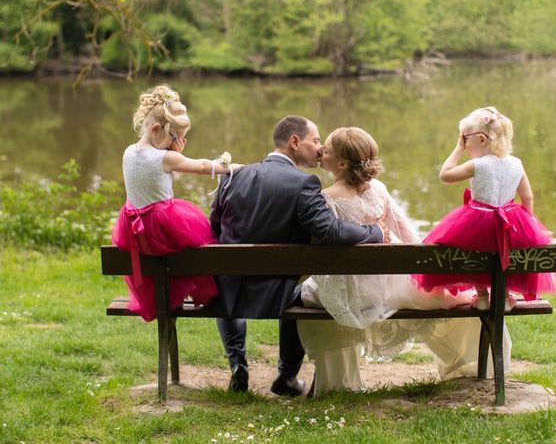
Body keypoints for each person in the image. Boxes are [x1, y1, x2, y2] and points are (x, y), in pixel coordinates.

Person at [298, 127, 494, 394]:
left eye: (327, 150)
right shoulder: (379, 189)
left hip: (354, 290)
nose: (321, 151)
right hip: (389, 284)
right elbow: (406, 233)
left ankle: (335, 383)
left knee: (309, 294)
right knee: (445, 300)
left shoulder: (327, 198)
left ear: (342, 163)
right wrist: (419, 266)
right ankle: (467, 365)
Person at [209, 115, 385, 397]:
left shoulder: (232, 176)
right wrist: (372, 233)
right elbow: (330, 232)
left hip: (229, 287)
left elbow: (215, 226)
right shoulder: (304, 184)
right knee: (300, 290)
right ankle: (286, 376)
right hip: (277, 290)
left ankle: (237, 364)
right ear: (294, 142)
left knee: (231, 281)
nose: (319, 148)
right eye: (315, 141)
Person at [112, 84, 240, 322]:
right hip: (161, 225)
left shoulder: (129, 151)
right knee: (202, 242)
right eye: (176, 137)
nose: (178, 142)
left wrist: (171, 147)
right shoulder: (166, 157)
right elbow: (202, 166)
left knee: (166, 263)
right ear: (156, 128)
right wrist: (233, 168)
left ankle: (168, 296)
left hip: (135, 228)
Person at [413, 107, 556, 310]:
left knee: (474, 250)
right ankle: (505, 297)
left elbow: (445, 175)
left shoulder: (478, 164)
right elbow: (527, 196)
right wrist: (528, 222)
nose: (464, 142)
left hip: (478, 219)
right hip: (510, 219)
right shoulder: (516, 163)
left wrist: (457, 149)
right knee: (503, 252)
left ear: (481, 139)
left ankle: (482, 297)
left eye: (465, 138)